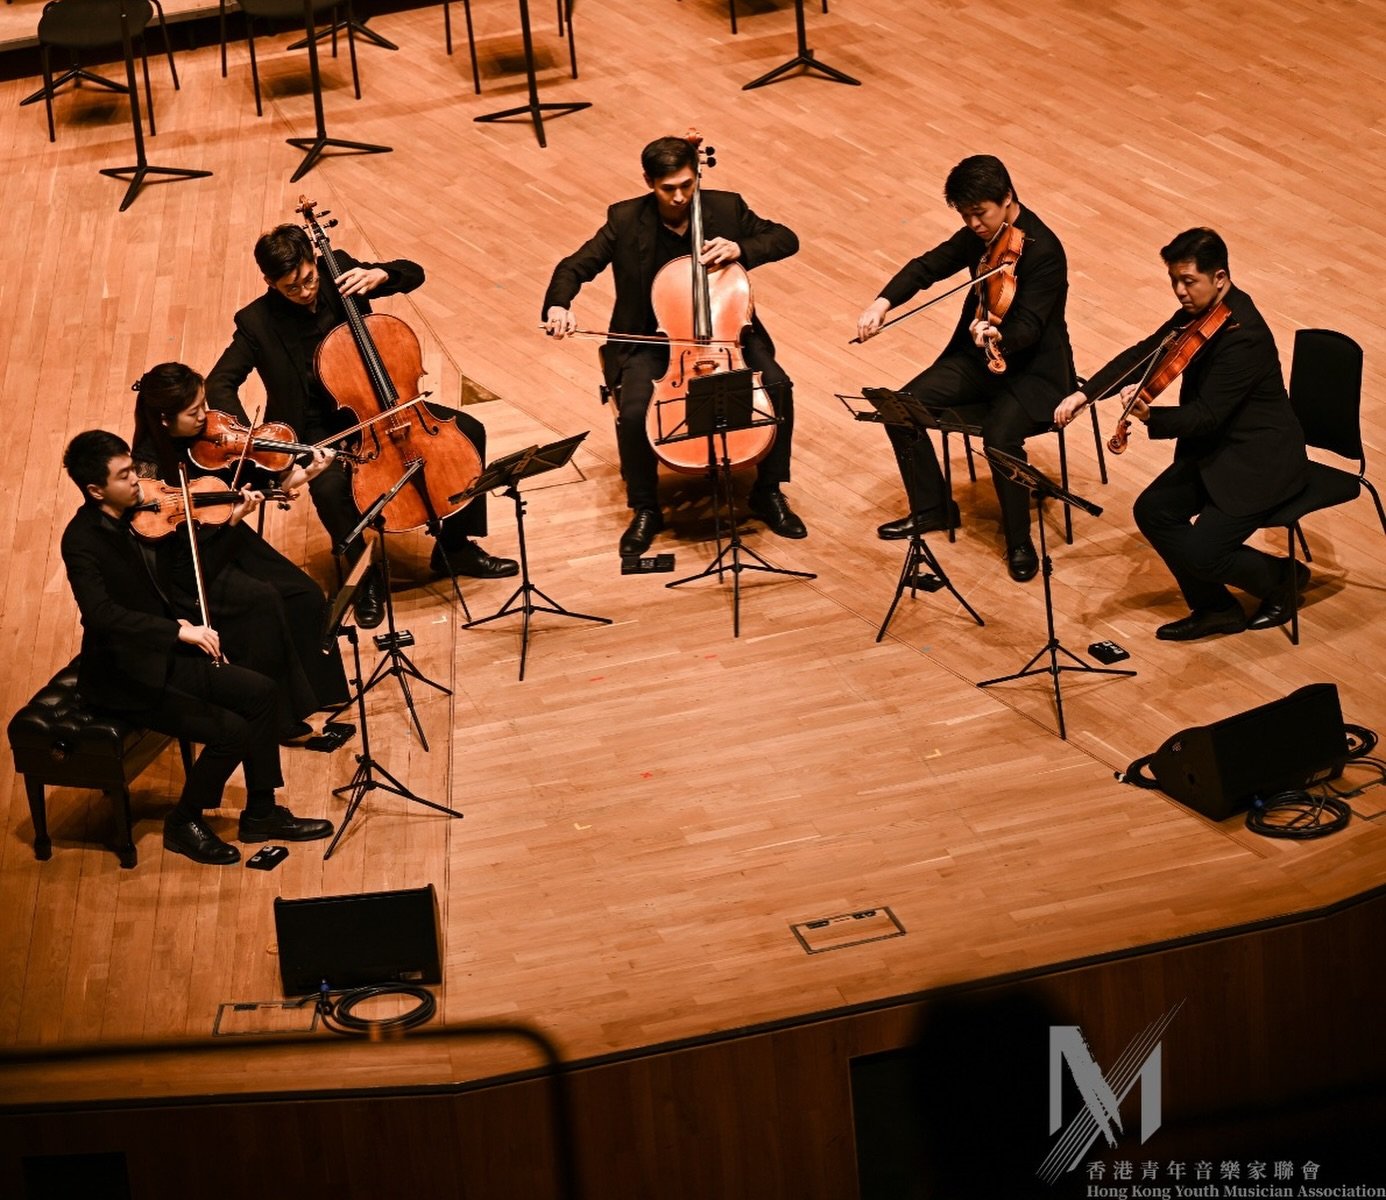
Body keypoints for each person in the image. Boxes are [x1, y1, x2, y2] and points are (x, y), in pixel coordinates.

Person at [206, 224, 517, 629]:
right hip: (318, 427)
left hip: (383, 406)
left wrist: (383, 274)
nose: (305, 291)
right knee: (330, 487)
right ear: (269, 282)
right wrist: (258, 441)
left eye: (308, 278)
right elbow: (219, 383)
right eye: (290, 287)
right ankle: (361, 577)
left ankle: (454, 547)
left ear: (313, 262)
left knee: (469, 430)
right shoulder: (256, 322)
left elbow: (415, 272)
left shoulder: (340, 272)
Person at [60, 430, 334, 865]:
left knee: (262, 693)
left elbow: (191, 572)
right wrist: (176, 632)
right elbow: (101, 614)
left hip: (168, 657)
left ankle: (261, 812)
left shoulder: (144, 515)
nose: (137, 480)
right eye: (124, 475)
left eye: (133, 468)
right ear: (95, 490)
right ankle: (184, 820)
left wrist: (230, 521)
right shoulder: (82, 542)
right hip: (126, 676)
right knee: (232, 731)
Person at [543, 135, 807, 557]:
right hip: (651, 340)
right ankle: (646, 507)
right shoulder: (625, 219)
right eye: (669, 188)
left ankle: (768, 490)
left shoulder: (726, 207)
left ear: (697, 175)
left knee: (778, 386)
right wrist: (559, 306)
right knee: (633, 412)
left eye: (688, 184)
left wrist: (742, 247)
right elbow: (574, 266)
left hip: (725, 333)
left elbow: (786, 238)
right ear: (649, 181)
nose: (681, 196)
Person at [1054, 228, 1309, 640]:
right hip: (1217, 452)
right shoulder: (1199, 316)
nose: (1179, 290)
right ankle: (1216, 609)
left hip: (1258, 463)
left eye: (1188, 281)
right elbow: (1147, 352)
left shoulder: (1245, 337)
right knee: (1153, 511)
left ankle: (1283, 577)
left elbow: (1206, 415)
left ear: (1220, 278)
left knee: (1203, 554)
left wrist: (1152, 417)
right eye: (1174, 280)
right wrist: (1086, 394)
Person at [855, 155, 1074, 582]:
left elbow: (1029, 325)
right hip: (978, 361)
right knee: (900, 408)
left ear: (1007, 198)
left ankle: (1019, 541)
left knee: (1000, 436)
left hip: (1032, 373)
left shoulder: (1044, 251)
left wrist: (998, 335)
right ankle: (934, 508)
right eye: (964, 214)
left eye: (979, 213)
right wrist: (883, 302)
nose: (973, 224)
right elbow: (928, 266)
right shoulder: (982, 237)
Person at [131, 361, 351, 745]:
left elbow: (273, 479)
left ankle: (321, 694)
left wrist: (310, 471)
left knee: (304, 593)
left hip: (229, 535)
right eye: (194, 411)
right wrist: (233, 517)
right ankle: (280, 719)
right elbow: (170, 547)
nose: (205, 414)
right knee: (263, 603)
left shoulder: (215, 440)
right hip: (193, 561)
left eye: (203, 403)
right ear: (165, 420)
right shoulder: (147, 468)